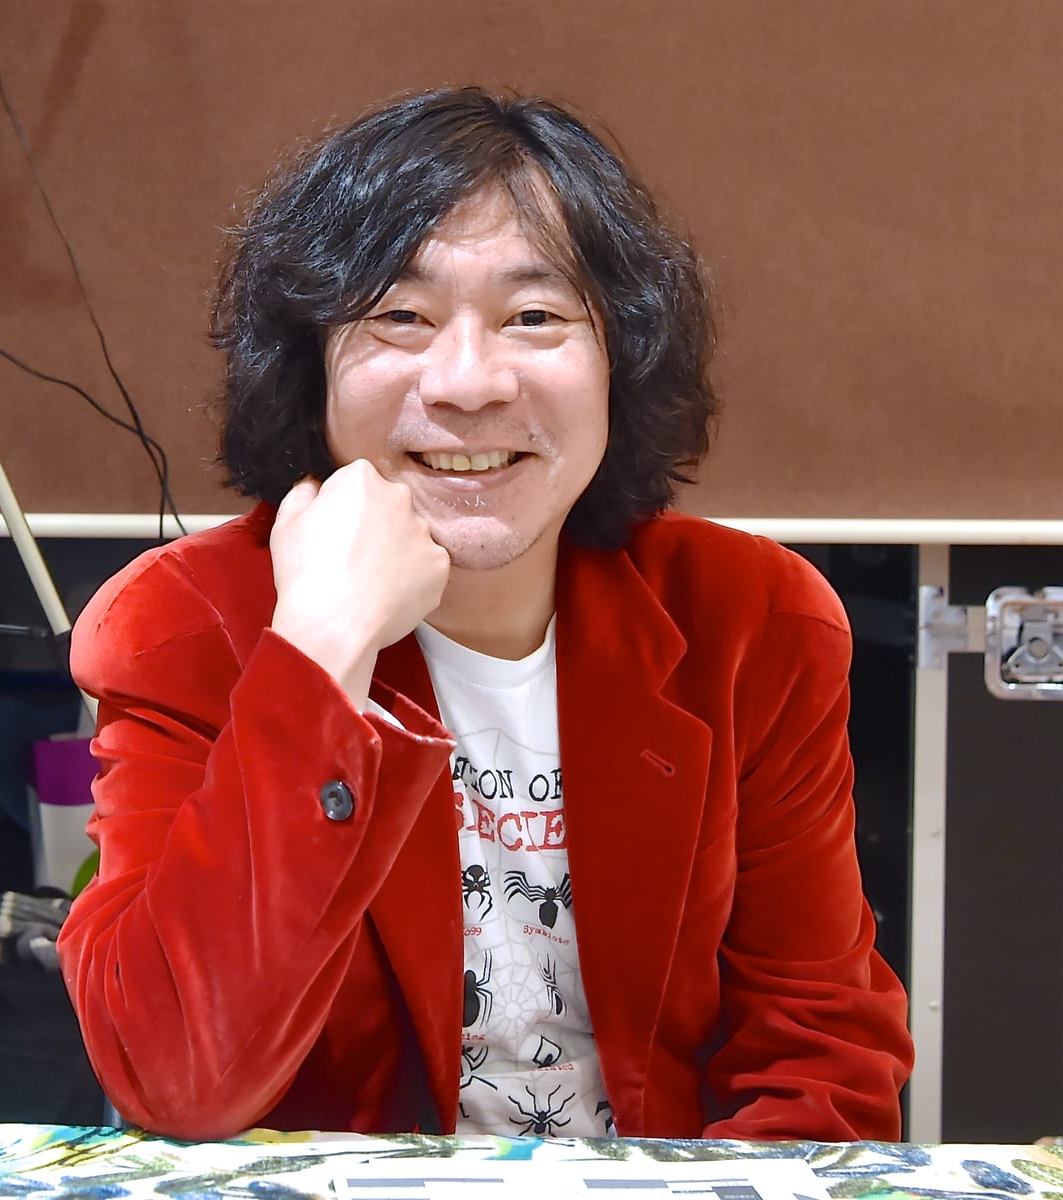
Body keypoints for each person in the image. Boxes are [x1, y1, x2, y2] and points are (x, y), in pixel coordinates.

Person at [57, 86, 913, 1144]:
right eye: (400, 318)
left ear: (621, 362)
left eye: (535, 318)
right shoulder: (183, 626)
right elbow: (179, 1077)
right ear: (309, 363)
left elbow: (821, 1057)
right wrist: (317, 654)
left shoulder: (750, 620)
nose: (468, 384)